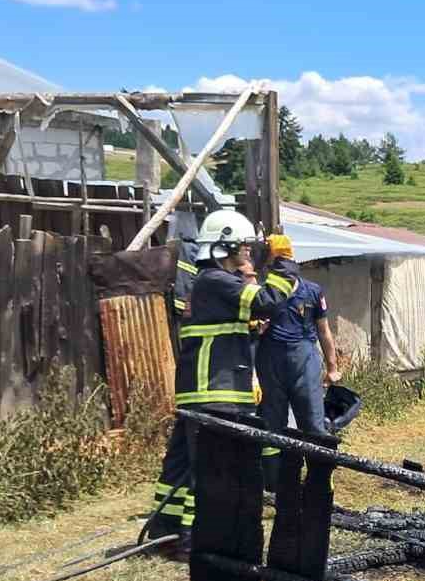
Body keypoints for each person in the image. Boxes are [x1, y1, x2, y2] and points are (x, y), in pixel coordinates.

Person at [145, 210, 298, 548]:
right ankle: (191, 538)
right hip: (213, 391)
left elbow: (245, 316)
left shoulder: (211, 284)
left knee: (181, 465)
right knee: (210, 469)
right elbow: (267, 301)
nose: (248, 252)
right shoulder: (215, 280)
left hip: (201, 390)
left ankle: (163, 529)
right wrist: (285, 262)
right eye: (243, 247)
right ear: (223, 245)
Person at [256, 233, 341, 483]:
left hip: (305, 362)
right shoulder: (262, 295)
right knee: (272, 423)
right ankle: (273, 483)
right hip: (271, 363)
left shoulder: (312, 291)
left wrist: (332, 367)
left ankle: (320, 481)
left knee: (313, 423)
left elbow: (324, 331)